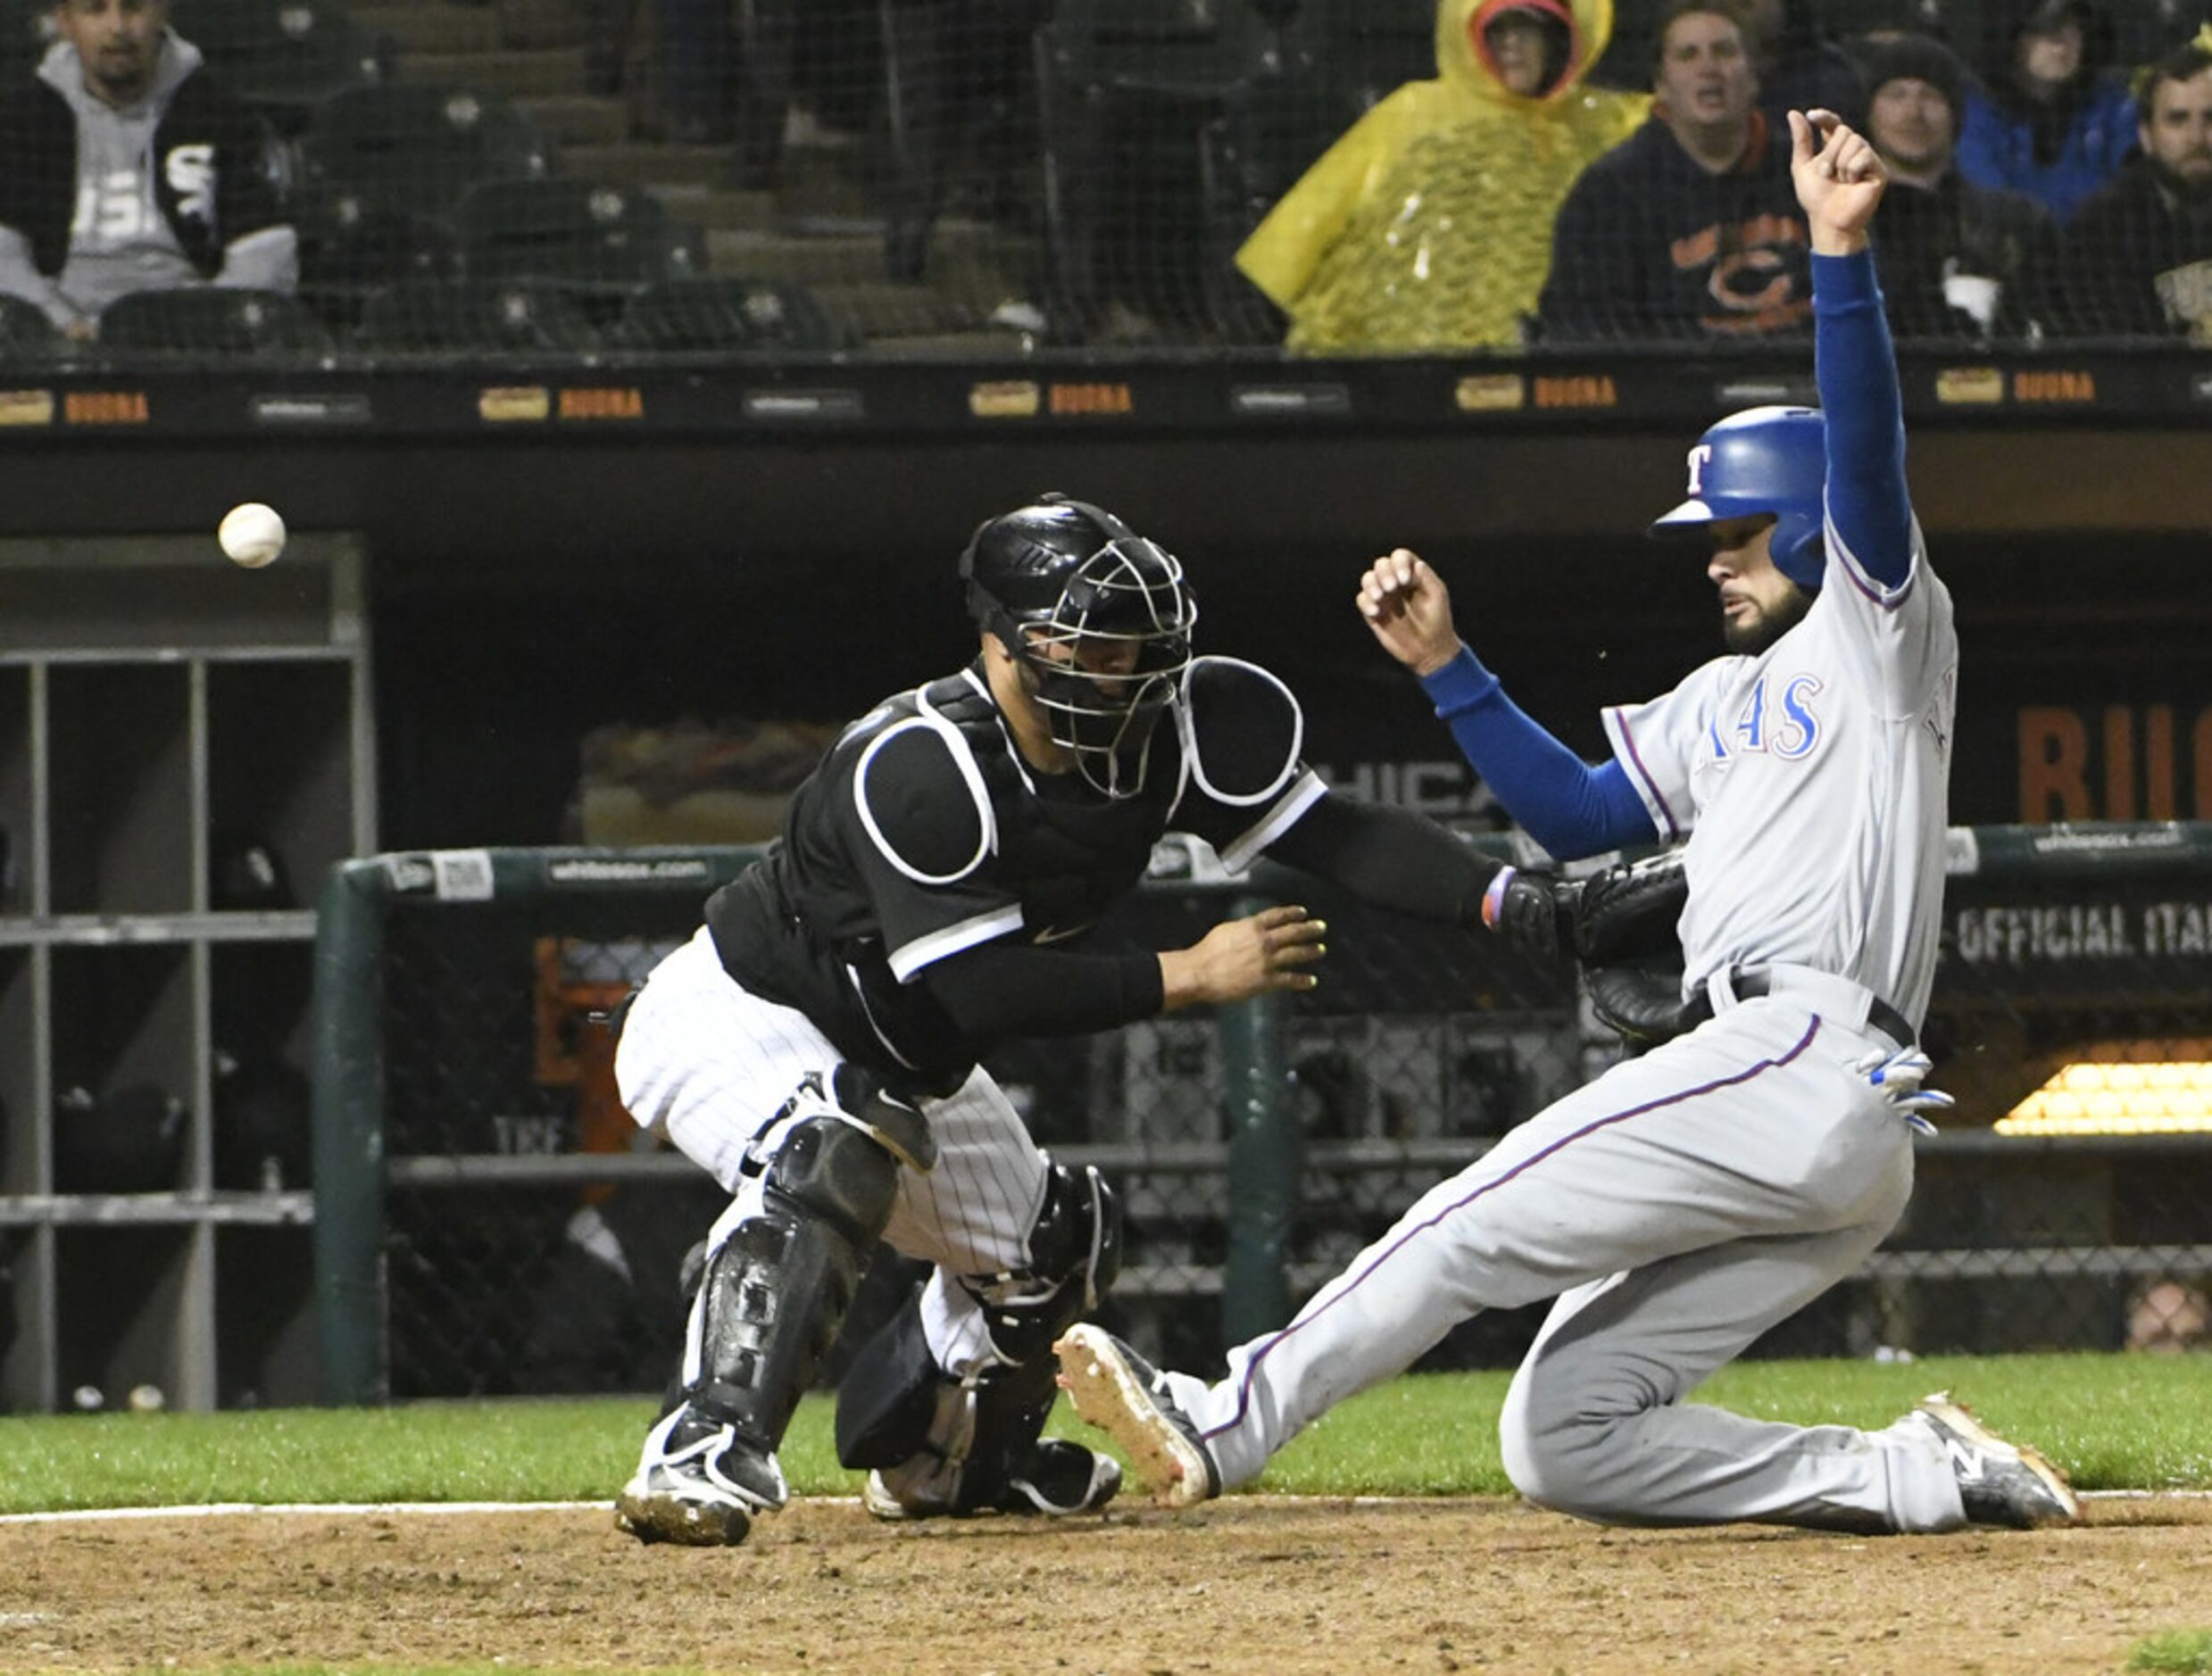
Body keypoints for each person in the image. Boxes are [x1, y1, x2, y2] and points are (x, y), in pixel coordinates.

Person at [1056, 110, 2085, 1539]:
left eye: (1731, 533)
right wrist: (1447, 669)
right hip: (1805, 1102)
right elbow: (1575, 814)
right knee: (1563, 1435)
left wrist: (1835, 252)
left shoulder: (1878, 638)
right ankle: (1911, 1472)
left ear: (1797, 530)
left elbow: (1866, 459)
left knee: (1467, 1216)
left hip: (1798, 1050)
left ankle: (1229, 1410)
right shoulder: (1719, 694)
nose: (1710, 557)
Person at [608, 492, 1566, 1547]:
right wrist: (1189, 975)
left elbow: (1342, 838)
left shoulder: (1173, 732)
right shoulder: (921, 760)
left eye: (1143, 646)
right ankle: (702, 1450)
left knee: (1057, 1245)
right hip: (743, 1012)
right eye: (1097, 646)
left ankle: (958, 1464)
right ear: (1006, 642)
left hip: (905, 1063)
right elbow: (977, 993)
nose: (1129, 671)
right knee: (826, 1149)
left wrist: (1509, 900)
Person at [1229, 0, 1649, 353]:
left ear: (1561, 37)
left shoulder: (1610, 122)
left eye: (1526, 30)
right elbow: (1296, 238)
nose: (1510, 46)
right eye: (1496, 31)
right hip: (1413, 369)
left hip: (1564, 362)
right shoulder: (1412, 113)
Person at [0, 0, 294, 339]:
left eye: (134, 8)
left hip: (187, 341)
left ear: (163, 13)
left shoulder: (221, 113)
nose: (118, 28)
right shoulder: (23, 120)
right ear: (65, 23)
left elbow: (267, 254)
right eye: (96, 10)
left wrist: (205, 324)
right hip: (56, 340)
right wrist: (59, 323)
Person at [1538, 0, 1815, 342]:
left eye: (1724, 52)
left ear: (1754, 75)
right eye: (1688, 55)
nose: (1708, 68)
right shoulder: (1608, 193)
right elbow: (1587, 329)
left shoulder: (1810, 172)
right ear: (1662, 85)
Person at [1854, 31, 2061, 339]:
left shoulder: (2012, 223)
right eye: (1897, 95)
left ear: (1956, 115)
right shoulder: (1842, 221)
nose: (1914, 113)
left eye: (1931, 96)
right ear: (1869, 114)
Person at [2057, 31, 2212, 339]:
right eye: (2177, 120)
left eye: (2211, 118)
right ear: (2145, 135)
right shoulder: (2102, 227)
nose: (2196, 137)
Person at [1957, 0, 2137, 223]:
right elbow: (1990, 206)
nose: (2060, 43)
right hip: (2015, 247)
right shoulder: (1973, 111)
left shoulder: (2114, 101)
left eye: (2074, 26)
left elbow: (2138, 189)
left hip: (2106, 245)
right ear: (2009, 37)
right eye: (2041, 28)